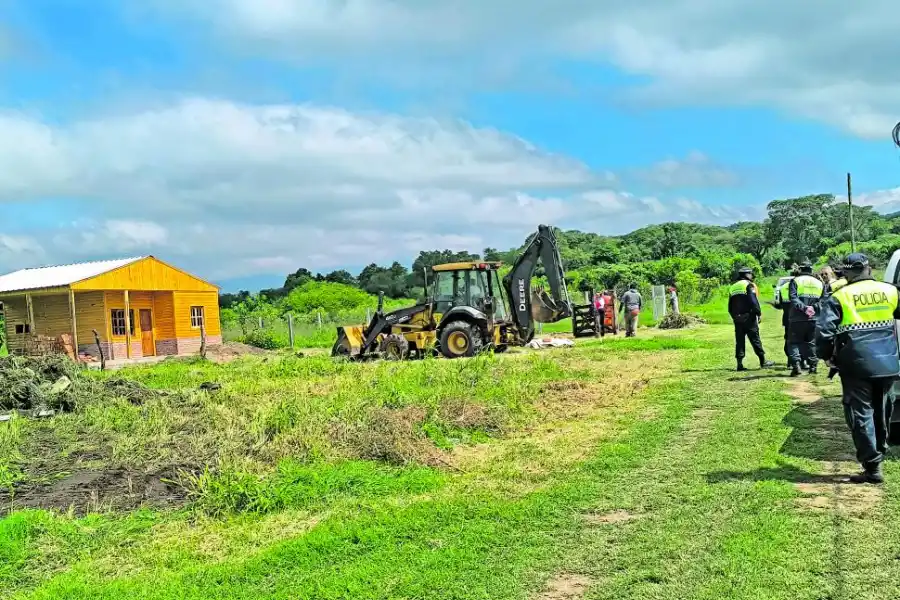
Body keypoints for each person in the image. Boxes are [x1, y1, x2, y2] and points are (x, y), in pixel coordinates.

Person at [815, 253, 900, 484]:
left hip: (855, 365)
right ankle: (880, 449)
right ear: (868, 268)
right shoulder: (891, 291)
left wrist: (826, 357)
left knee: (861, 413)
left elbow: (823, 332)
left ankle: (872, 466)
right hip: (888, 363)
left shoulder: (839, 296)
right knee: (882, 409)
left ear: (847, 273)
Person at [728, 267, 775, 371]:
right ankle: (763, 361)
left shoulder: (733, 287)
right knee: (755, 339)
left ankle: (739, 364)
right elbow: (753, 301)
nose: (752, 275)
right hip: (749, 317)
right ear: (746, 275)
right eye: (750, 274)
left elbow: (730, 307)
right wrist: (758, 313)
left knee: (739, 341)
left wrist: (735, 317)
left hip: (737, 319)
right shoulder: (748, 285)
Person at [787, 261, 824, 376]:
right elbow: (824, 299)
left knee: (793, 342)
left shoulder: (795, 281)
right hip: (814, 318)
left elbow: (793, 297)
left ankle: (796, 365)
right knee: (812, 342)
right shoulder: (819, 282)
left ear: (801, 269)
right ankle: (813, 366)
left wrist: (804, 308)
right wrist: (813, 308)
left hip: (797, 318)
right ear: (811, 270)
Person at [774, 265, 801, 368]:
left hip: (787, 317)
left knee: (789, 339)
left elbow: (779, 304)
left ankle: (790, 361)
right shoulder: (799, 286)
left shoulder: (783, 287)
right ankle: (800, 361)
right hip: (798, 316)